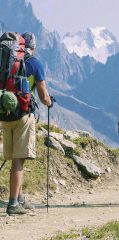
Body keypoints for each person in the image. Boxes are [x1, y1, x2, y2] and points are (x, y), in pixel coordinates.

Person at [3, 32, 53, 215]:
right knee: (19, 160)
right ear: (33, 46)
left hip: (5, 114)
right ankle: (13, 203)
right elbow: (43, 95)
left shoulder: (6, 61)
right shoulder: (34, 63)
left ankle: (21, 199)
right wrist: (50, 102)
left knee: (14, 159)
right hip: (23, 115)